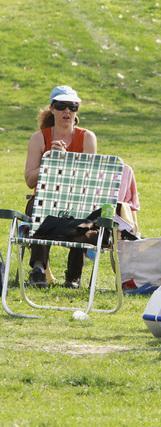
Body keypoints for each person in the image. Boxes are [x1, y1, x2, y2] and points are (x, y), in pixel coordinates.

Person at [24, 85, 97, 288]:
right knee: (39, 208)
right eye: (61, 105)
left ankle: (73, 276)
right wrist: (51, 161)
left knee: (85, 215)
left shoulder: (87, 138)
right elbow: (30, 180)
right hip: (44, 201)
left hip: (77, 202)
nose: (67, 111)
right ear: (52, 109)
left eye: (72, 106)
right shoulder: (39, 138)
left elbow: (89, 180)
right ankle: (38, 269)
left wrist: (67, 161)